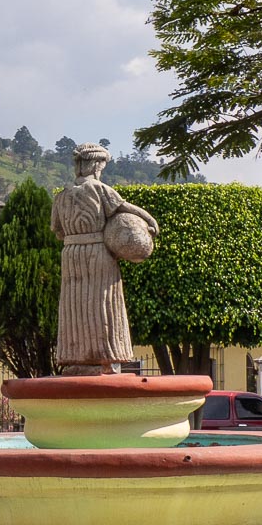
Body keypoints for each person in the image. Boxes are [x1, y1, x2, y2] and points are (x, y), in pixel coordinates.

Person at [51, 142, 159, 374]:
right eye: (102, 165)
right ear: (95, 164)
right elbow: (124, 208)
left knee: (75, 305)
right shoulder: (100, 190)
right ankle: (106, 357)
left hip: (70, 254)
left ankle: (75, 357)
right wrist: (150, 221)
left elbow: (58, 231)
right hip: (97, 253)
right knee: (104, 302)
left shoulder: (62, 196)